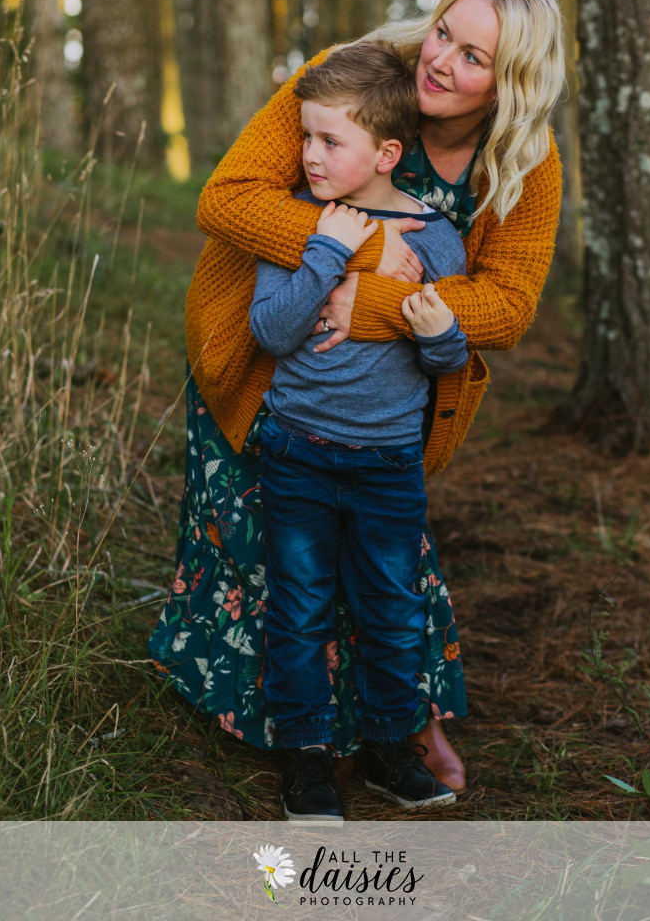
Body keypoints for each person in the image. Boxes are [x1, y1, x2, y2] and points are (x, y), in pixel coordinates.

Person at [149, 0, 565, 798]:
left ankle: (388, 732)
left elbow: (509, 305)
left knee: (381, 572)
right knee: (267, 561)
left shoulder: (523, 158)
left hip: (382, 411)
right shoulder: (356, 76)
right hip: (262, 364)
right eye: (443, 31)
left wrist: (375, 303)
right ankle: (285, 737)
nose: (440, 60)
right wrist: (364, 246)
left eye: (473, 57)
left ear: (510, 83)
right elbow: (227, 198)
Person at [250, 43, 468, 822]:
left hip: (387, 463)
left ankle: (385, 747)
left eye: (329, 140)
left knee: (390, 609)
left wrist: (439, 332)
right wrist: (325, 254)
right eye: (305, 137)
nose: (309, 155)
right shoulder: (296, 221)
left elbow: (447, 357)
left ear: (385, 153)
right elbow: (272, 331)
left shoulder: (436, 240)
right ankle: (306, 757)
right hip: (297, 451)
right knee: (299, 607)